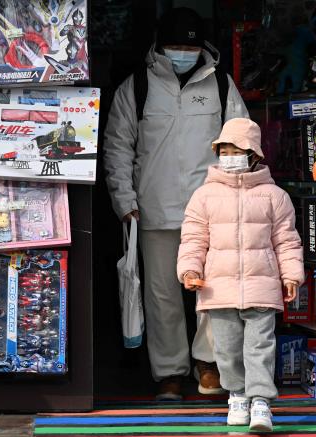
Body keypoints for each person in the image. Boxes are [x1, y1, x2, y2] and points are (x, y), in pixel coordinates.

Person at [104, 7, 249, 401]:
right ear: (159, 46)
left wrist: (235, 194)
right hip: (154, 210)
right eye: (175, 45)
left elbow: (241, 140)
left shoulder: (220, 83)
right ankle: (169, 372)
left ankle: (208, 365)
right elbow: (117, 148)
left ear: (201, 47)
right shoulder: (136, 86)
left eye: (190, 45)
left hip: (212, 209)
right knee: (163, 296)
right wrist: (125, 203)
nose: (183, 52)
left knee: (214, 291)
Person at [177, 118, 305, 432]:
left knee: (260, 346)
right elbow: (194, 239)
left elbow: (287, 240)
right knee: (226, 348)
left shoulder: (275, 197)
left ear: (254, 155)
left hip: (262, 286)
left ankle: (260, 401)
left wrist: (291, 276)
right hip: (218, 289)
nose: (230, 155)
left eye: (237, 150)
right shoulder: (203, 196)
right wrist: (190, 270)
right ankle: (237, 395)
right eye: (225, 150)